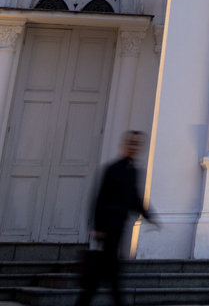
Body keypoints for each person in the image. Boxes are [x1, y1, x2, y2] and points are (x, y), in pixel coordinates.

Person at [76, 131, 158, 306]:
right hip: (107, 229)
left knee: (102, 276)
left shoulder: (134, 170)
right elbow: (99, 198)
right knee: (111, 273)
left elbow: (134, 197)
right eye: (132, 144)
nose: (134, 147)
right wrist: (96, 227)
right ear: (125, 146)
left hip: (118, 227)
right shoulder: (112, 169)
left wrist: (150, 216)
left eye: (137, 144)